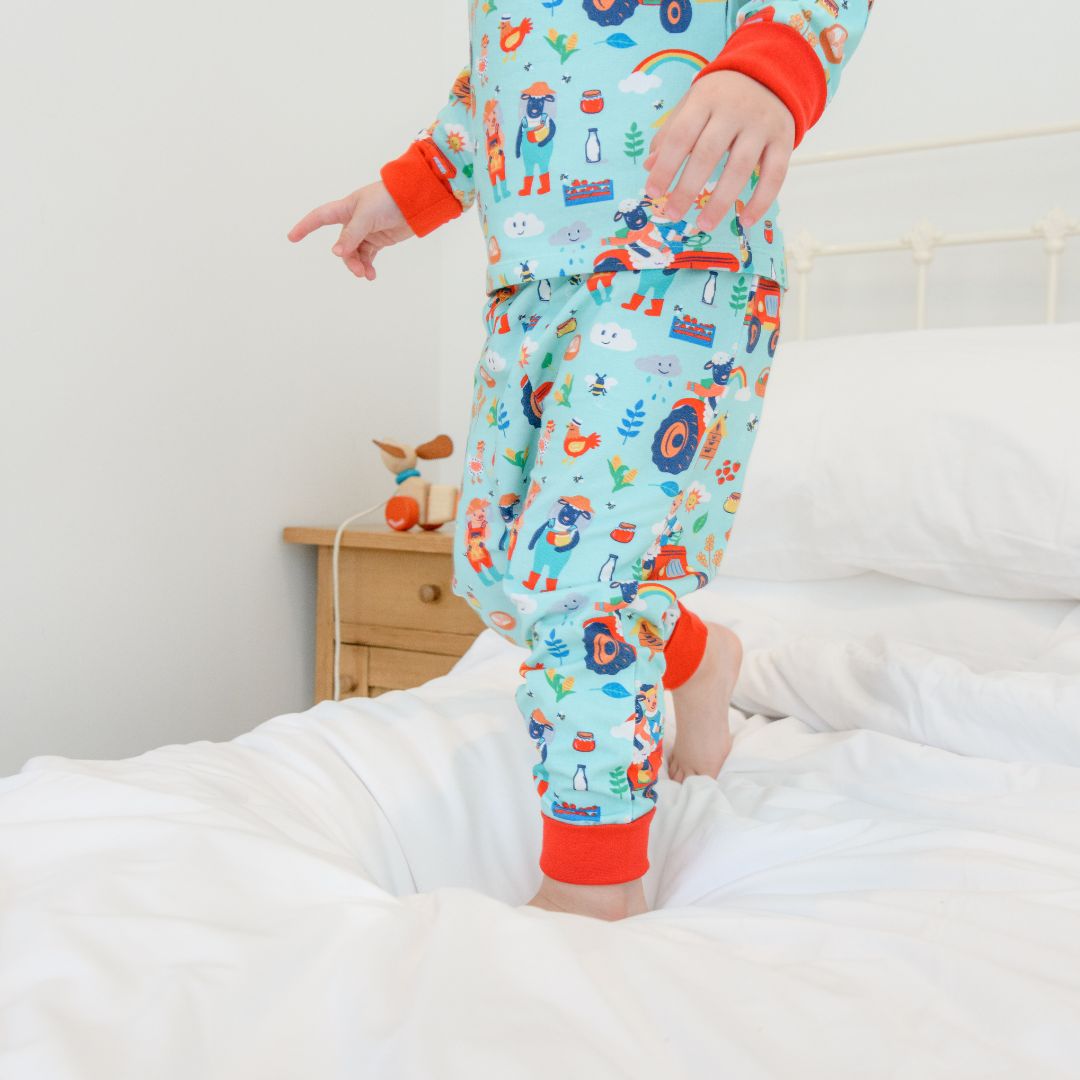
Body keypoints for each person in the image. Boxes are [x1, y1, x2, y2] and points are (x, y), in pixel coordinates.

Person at [288, 0, 872, 921]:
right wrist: (409, 191)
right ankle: (696, 658)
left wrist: (769, 67)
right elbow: (501, 81)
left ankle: (596, 883)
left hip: (681, 259)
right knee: (496, 567)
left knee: (581, 580)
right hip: (528, 280)